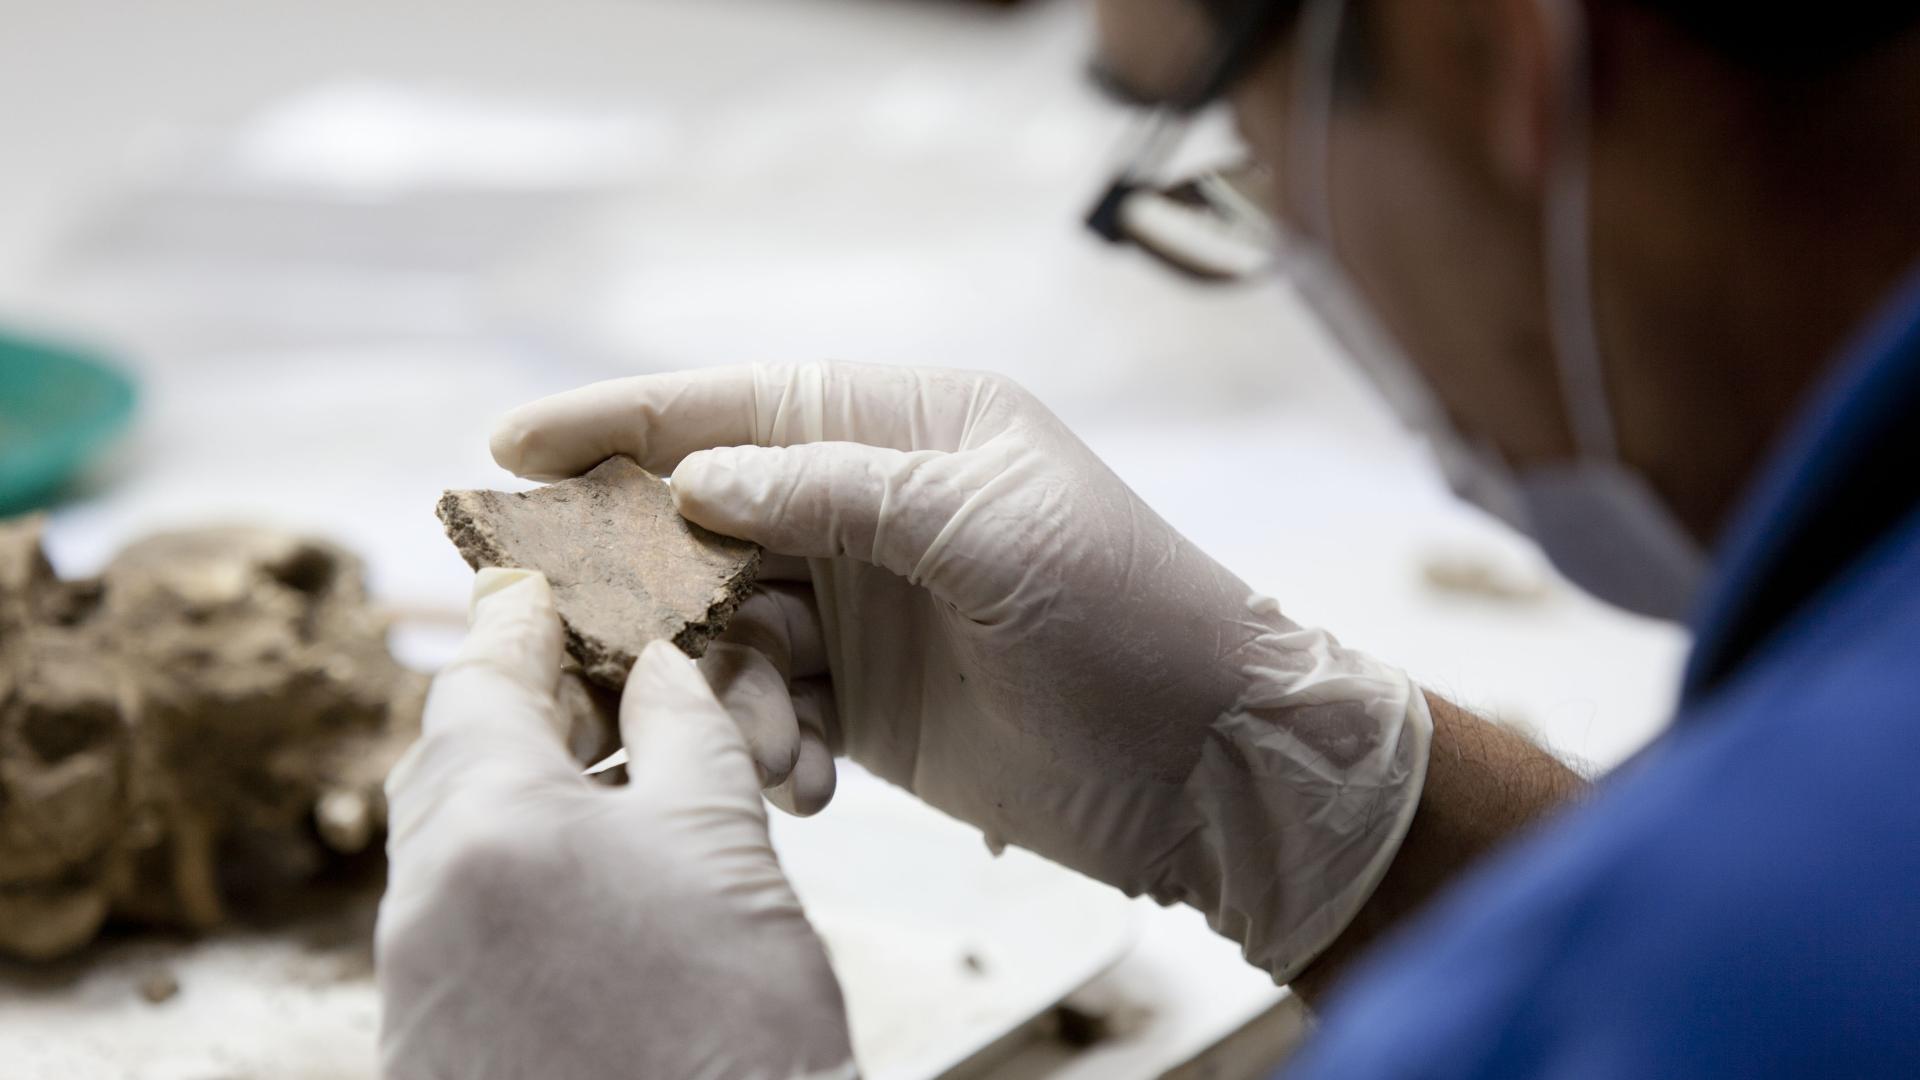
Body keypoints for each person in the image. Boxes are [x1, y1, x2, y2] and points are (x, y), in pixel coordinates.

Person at [374, 0, 1920, 1076]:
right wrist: (1317, 801)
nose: (1271, 235)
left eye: (1223, 145)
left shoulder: (1774, 929)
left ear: (1490, 43)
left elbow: (1743, 969)